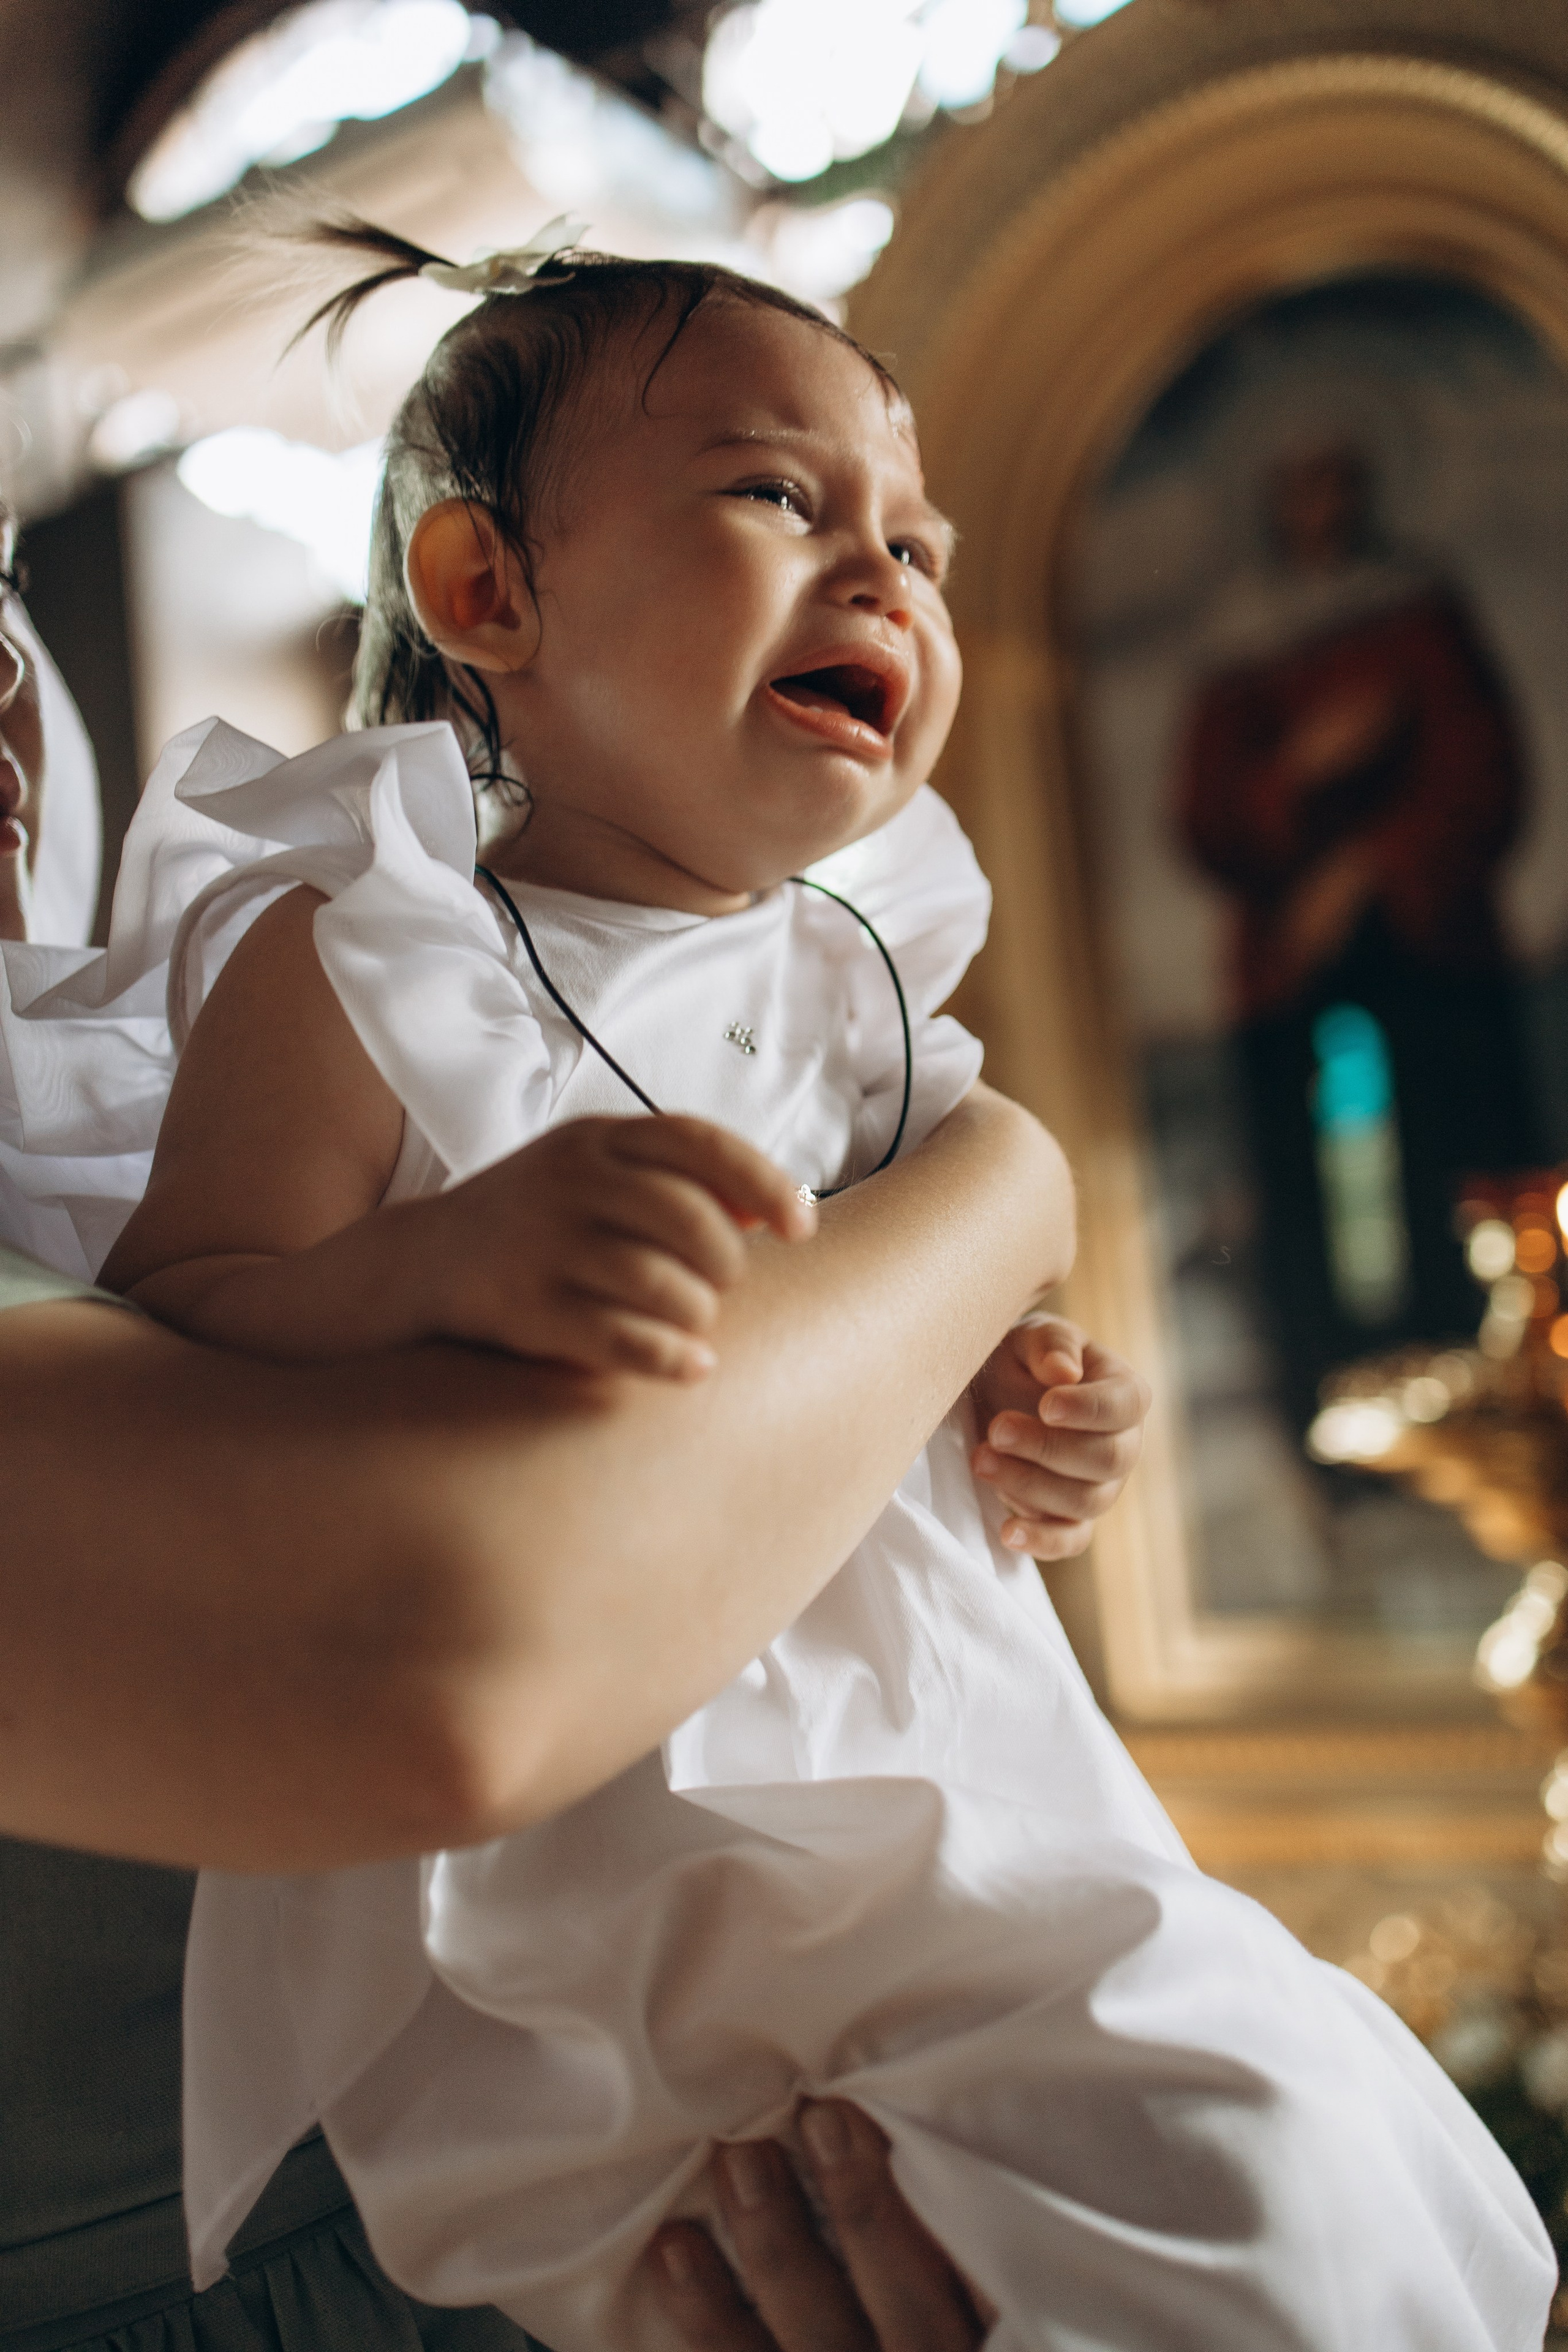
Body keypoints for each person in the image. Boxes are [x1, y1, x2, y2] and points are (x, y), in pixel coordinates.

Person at [37, 235, 1547, 2345]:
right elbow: (194, 1308)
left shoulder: (867, 996)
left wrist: (1025, 1410)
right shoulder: (364, 950)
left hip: (947, 1768)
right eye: (778, 494)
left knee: (1315, 2137)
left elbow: (903, 1369)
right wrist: (435, 1257)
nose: (885, 578)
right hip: (624, 1844)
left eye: (916, 544)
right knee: (1189, 2171)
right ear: (487, 591)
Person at [0, 514, 1139, 2351]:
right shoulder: (337, 1006)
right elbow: (447, 1660)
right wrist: (1000, 1190)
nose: (0, 670)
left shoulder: (140, 1100)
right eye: (770, 500)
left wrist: (995, 1356)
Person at [1177, 438, 1543, 1426]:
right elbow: (1209, 819)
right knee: (1313, 1207)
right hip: (1290, 968)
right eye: (1301, 485)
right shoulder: (1239, 648)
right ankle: (1339, 1431)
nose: (1321, 505)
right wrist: (1296, 770)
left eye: (1336, 480)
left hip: (1431, 942)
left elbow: (1484, 772)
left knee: (1464, 1183)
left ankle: (1504, 1418)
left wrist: (1373, 864)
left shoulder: (1416, 611)